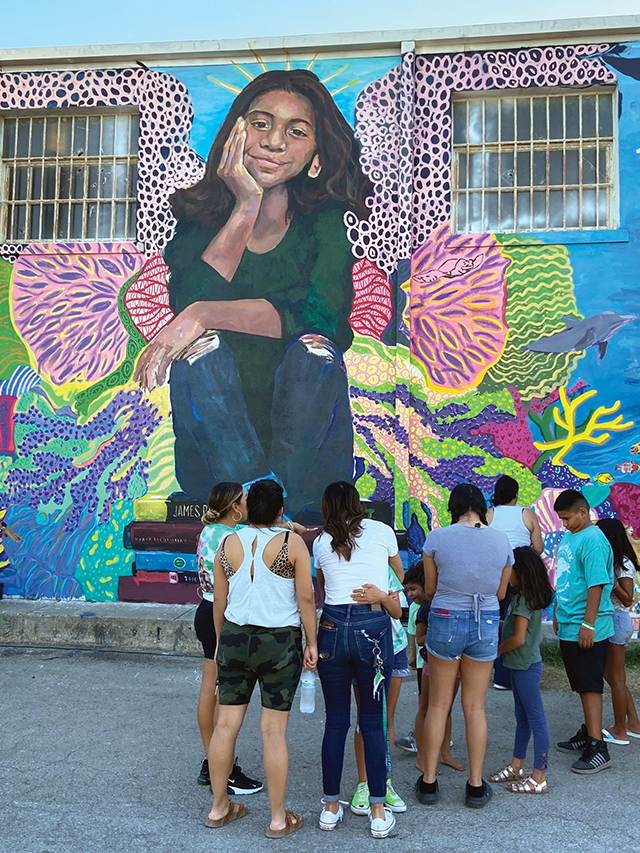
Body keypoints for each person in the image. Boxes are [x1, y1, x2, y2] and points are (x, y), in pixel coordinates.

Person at [134, 69, 373, 520]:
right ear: (235, 135)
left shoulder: (323, 226)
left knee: (314, 351)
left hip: (309, 469)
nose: (274, 141)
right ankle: (253, 494)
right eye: (260, 124)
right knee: (200, 352)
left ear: (315, 159)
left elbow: (323, 314)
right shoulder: (198, 224)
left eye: (296, 132)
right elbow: (188, 301)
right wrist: (244, 206)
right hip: (216, 466)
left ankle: (274, 498)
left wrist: (205, 312)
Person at [206, 479, 318, 837]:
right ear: (281, 511)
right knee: (273, 731)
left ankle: (219, 807)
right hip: (279, 642)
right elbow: (306, 600)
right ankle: (276, 818)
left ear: (247, 509)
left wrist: (224, 641)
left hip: (235, 637)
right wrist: (311, 642)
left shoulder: (227, 542)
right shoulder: (292, 543)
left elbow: (219, 602)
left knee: (225, 725)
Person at [314, 481, 404, 839]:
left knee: (335, 721)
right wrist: (382, 595)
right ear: (356, 504)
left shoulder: (320, 542)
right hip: (373, 625)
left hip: (333, 626)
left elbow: (324, 589)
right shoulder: (382, 531)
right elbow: (398, 573)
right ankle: (379, 811)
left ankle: (331, 808)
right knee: (372, 720)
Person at [417, 483, 513, 809]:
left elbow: (430, 589)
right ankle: (475, 785)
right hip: (485, 620)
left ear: (453, 506)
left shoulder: (437, 538)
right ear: (482, 506)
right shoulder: (501, 540)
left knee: (438, 706)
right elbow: (501, 594)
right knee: (475, 707)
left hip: (445, 616)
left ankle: (428, 782)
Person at [193, 482, 262, 795]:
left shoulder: (209, 531)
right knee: (226, 699)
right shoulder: (233, 538)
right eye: (245, 500)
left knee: (210, 691)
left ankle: (212, 761)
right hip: (223, 617)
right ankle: (226, 769)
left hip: (204, 611)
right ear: (235, 507)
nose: (248, 505)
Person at [553, 489, 614, 774]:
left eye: (567, 518)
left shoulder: (593, 539)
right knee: (580, 681)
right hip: (568, 620)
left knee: (590, 684)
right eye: (561, 519)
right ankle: (589, 730)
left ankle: (598, 746)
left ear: (583, 511)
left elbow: (596, 584)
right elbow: (565, 575)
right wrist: (557, 612)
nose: (564, 524)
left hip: (587, 623)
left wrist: (588, 624)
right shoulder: (571, 536)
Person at [489, 546, 554, 794]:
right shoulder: (520, 597)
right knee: (523, 719)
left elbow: (518, 639)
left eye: (509, 569)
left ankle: (539, 776)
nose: (506, 574)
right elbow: (514, 628)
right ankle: (517, 766)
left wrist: (496, 651)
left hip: (526, 666)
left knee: (535, 719)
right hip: (518, 666)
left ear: (520, 571)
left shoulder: (524, 599)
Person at [350, 566, 410, 816]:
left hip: (393, 647)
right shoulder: (346, 568)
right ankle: (364, 783)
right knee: (365, 717)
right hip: (361, 648)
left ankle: (384, 782)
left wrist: (382, 597)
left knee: (387, 717)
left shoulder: (384, 569)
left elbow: (397, 612)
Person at [487, 474, 544, 690]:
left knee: (497, 623)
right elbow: (538, 548)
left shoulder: (490, 514)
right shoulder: (527, 514)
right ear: (516, 494)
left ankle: (500, 676)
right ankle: (521, 672)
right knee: (522, 623)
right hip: (523, 574)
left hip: (496, 574)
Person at [595, 518, 640, 744]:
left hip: (617, 619)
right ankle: (633, 722)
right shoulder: (613, 559)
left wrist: (611, 582)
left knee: (616, 678)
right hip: (612, 621)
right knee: (614, 677)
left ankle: (620, 730)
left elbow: (628, 599)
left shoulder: (622, 563)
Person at [414, 595, 465, 775]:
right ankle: (421, 758)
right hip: (433, 661)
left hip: (457, 659)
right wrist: (441, 631)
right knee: (427, 708)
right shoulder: (428, 605)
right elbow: (419, 638)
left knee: (447, 709)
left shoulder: (460, 600)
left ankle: (445, 754)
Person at [395, 564, 426, 755]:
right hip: (424, 662)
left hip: (427, 661)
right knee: (427, 701)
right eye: (407, 590)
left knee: (427, 703)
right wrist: (413, 656)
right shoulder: (417, 607)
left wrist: (413, 656)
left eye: (413, 589)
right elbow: (413, 634)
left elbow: (415, 635)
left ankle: (418, 737)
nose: (410, 594)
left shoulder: (421, 607)